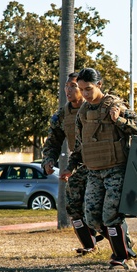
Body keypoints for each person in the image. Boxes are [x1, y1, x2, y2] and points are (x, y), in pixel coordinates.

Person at [62, 68, 137, 269]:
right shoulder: (83, 112)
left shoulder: (115, 105)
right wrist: (70, 167)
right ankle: (125, 247)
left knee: (111, 214)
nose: (84, 94)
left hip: (115, 170)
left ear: (99, 85)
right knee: (92, 217)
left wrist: (119, 119)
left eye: (88, 89)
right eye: (81, 89)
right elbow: (80, 146)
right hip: (94, 171)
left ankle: (123, 257)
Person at [41, 72, 103, 256]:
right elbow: (52, 141)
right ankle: (89, 245)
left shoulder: (96, 108)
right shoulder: (62, 115)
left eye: (73, 86)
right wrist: (48, 160)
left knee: (102, 210)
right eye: (67, 86)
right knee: (73, 207)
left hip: (100, 164)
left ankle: (123, 247)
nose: (69, 90)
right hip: (77, 165)